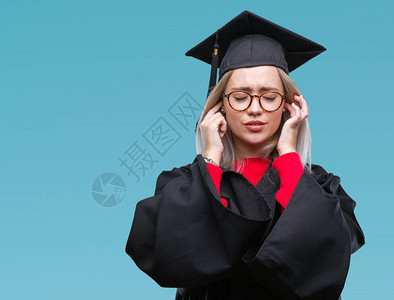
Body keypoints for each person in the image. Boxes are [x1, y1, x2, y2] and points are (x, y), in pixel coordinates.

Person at [125, 10, 365, 300]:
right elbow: (171, 256)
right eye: (240, 96)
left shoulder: (319, 184)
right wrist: (211, 157)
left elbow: (328, 261)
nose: (254, 108)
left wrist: (288, 156)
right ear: (220, 105)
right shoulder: (187, 182)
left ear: (288, 105)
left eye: (269, 96)